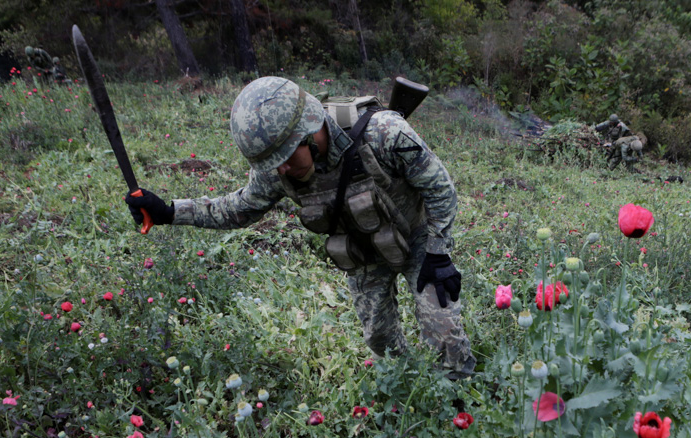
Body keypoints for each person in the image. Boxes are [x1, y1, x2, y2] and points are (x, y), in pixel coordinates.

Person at [124, 76, 475, 378]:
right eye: (274, 164)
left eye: (287, 159)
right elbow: (240, 208)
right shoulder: (280, 167)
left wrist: (438, 252)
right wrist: (171, 211)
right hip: (363, 253)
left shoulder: (385, 133)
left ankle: (460, 401)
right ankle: (411, 384)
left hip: (417, 239)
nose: (282, 172)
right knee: (379, 338)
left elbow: (440, 188)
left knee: (442, 328)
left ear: (308, 133)